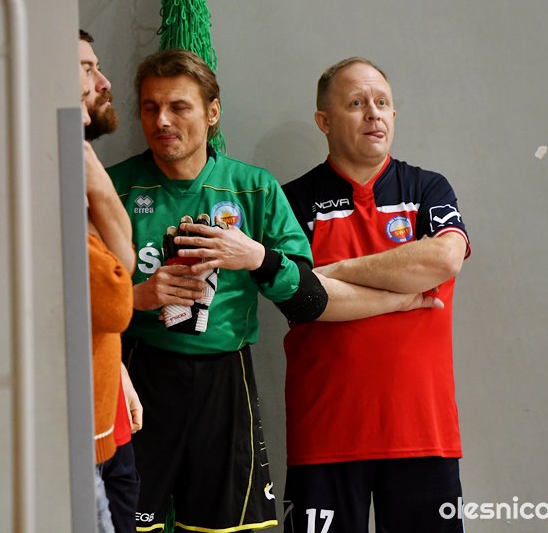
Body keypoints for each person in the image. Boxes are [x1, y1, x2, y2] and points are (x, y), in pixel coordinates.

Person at [106, 49, 440, 533]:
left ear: (212, 112)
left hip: (226, 380)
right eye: (150, 107)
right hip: (137, 373)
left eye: (179, 107)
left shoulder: (254, 188)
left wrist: (255, 257)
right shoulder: (114, 188)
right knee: (123, 525)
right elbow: (73, 296)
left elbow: (308, 298)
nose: (162, 121)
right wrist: (139, 295)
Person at [281, 57, 471, 533]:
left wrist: (338, 272)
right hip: (325, 436)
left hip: (423, 435)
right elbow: (304, 299)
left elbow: (444, 259)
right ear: (324, 121)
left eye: (382, 103)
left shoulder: (428, 188)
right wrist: (399, 295)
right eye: (356, 103)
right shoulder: (292, 201)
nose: (374, 114)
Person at [81, 29, 142, 533]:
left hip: (109, 413)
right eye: (86, 69)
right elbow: (116, 297)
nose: (101, 82)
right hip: (81, 435)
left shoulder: (83, 162)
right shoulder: (54, 166)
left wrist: (118, 369)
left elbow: (123, 261)